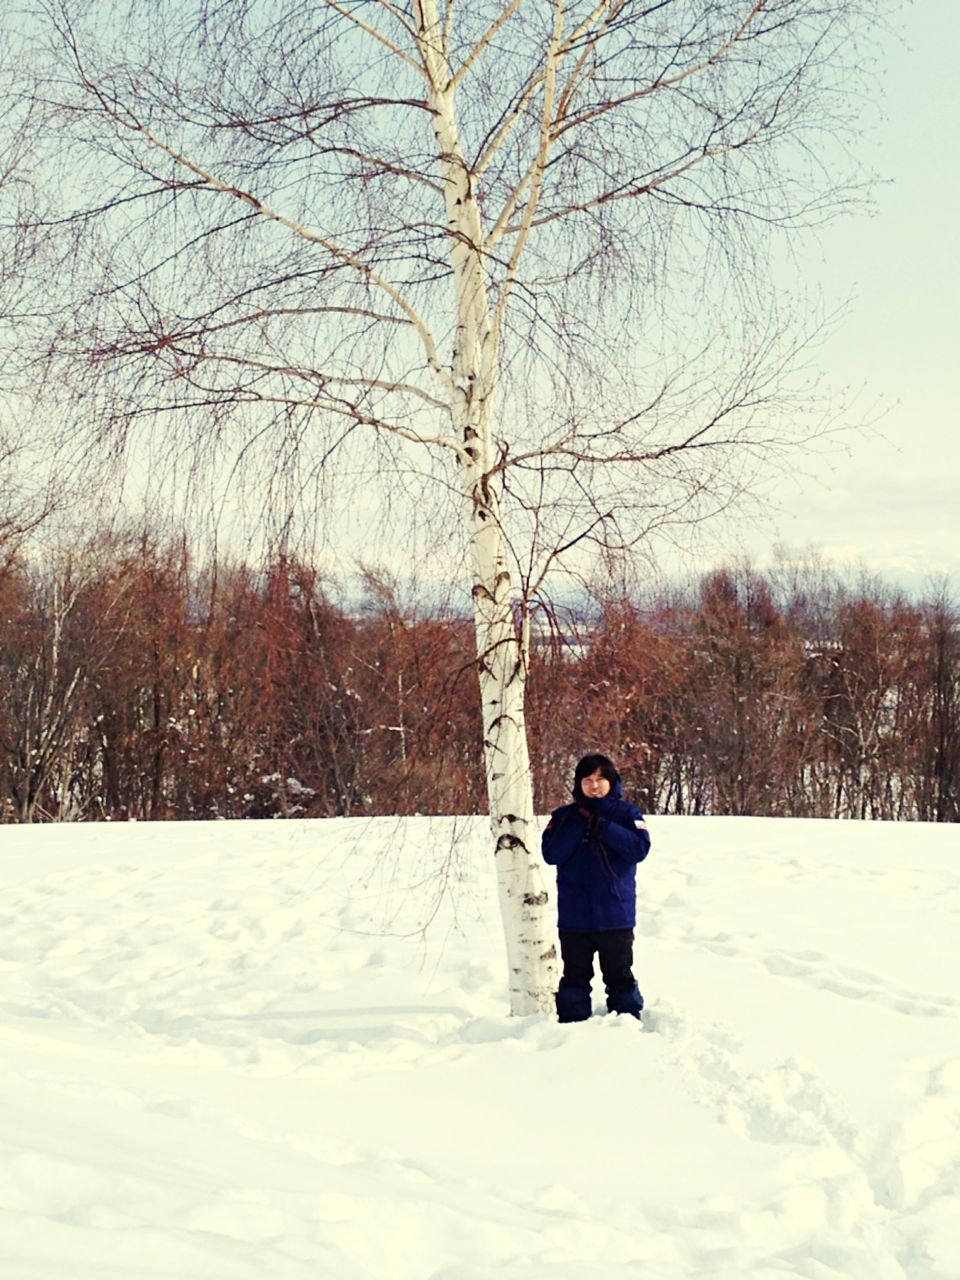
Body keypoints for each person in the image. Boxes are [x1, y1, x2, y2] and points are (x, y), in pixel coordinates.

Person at [541, 753, 651, 1023]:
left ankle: (627, 1025)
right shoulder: (564, 817)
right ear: (578, 784)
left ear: (612, 782)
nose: (593, 786)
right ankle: (570, 1027)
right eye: (587, 780)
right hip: (574, 916)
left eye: (600, 780)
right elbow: (551, 854)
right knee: (575, 977)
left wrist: (603, 827)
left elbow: (639, 849)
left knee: (619, 975)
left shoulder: (628, 814)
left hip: (616, 914)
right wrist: (579, 825)